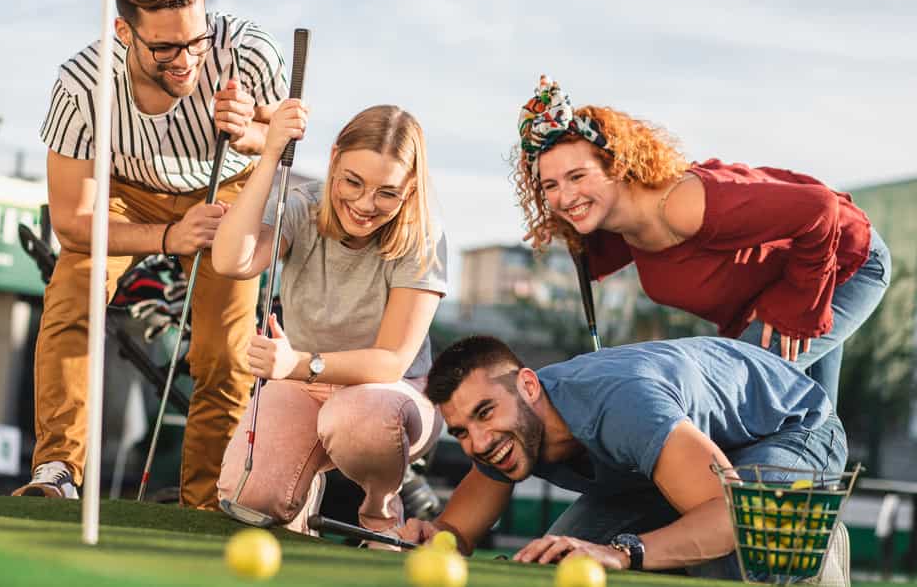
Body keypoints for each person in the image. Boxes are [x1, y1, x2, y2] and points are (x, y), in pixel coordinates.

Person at [12, 0, 286, 508]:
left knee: (226, 348)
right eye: (164, 47)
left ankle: (208, 499)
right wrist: (168, 237)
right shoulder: (81, 85)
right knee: (71, 292)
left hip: (225, 188)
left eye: (196, 40)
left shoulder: (248, 50)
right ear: (123, 29)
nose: (186, 61)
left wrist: (250, 134)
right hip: (124, 196)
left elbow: (279, 141)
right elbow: (71, 221)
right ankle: (58, 469)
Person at [513, 76, 890, 405]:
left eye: (577, 176)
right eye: (551, 186)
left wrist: (796, 303)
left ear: (618, 166)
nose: (563, 196)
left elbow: (819, 209)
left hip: (843, 261)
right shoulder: (624, 224)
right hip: (782, 278)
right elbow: (585, 227)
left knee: (731, 391)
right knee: (805, 419)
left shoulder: (680, 206)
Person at [398, 335, 850, 583]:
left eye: (484, 414)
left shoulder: (624, 405)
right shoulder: (505, 435)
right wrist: (431, 534)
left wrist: (624, 551)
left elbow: (731, 514)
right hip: (679, 460)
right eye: (461, 432)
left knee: (738, 555)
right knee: (551, 567)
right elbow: (454, 534)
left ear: (529, 387)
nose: (477, 443)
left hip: (788, 425)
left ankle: (816, 545)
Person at [213, 101, 448, 537]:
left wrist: (298, 364)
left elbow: (390, 361)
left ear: (410, 188)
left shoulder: (423, 236)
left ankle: (381, 511)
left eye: (386, 192)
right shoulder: (302, 205)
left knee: (357, 417)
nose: (364, 204)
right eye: (353, 182)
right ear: (334, 158)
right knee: (250, 498)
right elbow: (231, 259)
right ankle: (300, 512)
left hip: (391, 395)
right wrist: (269, 155)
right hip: (302, 385)